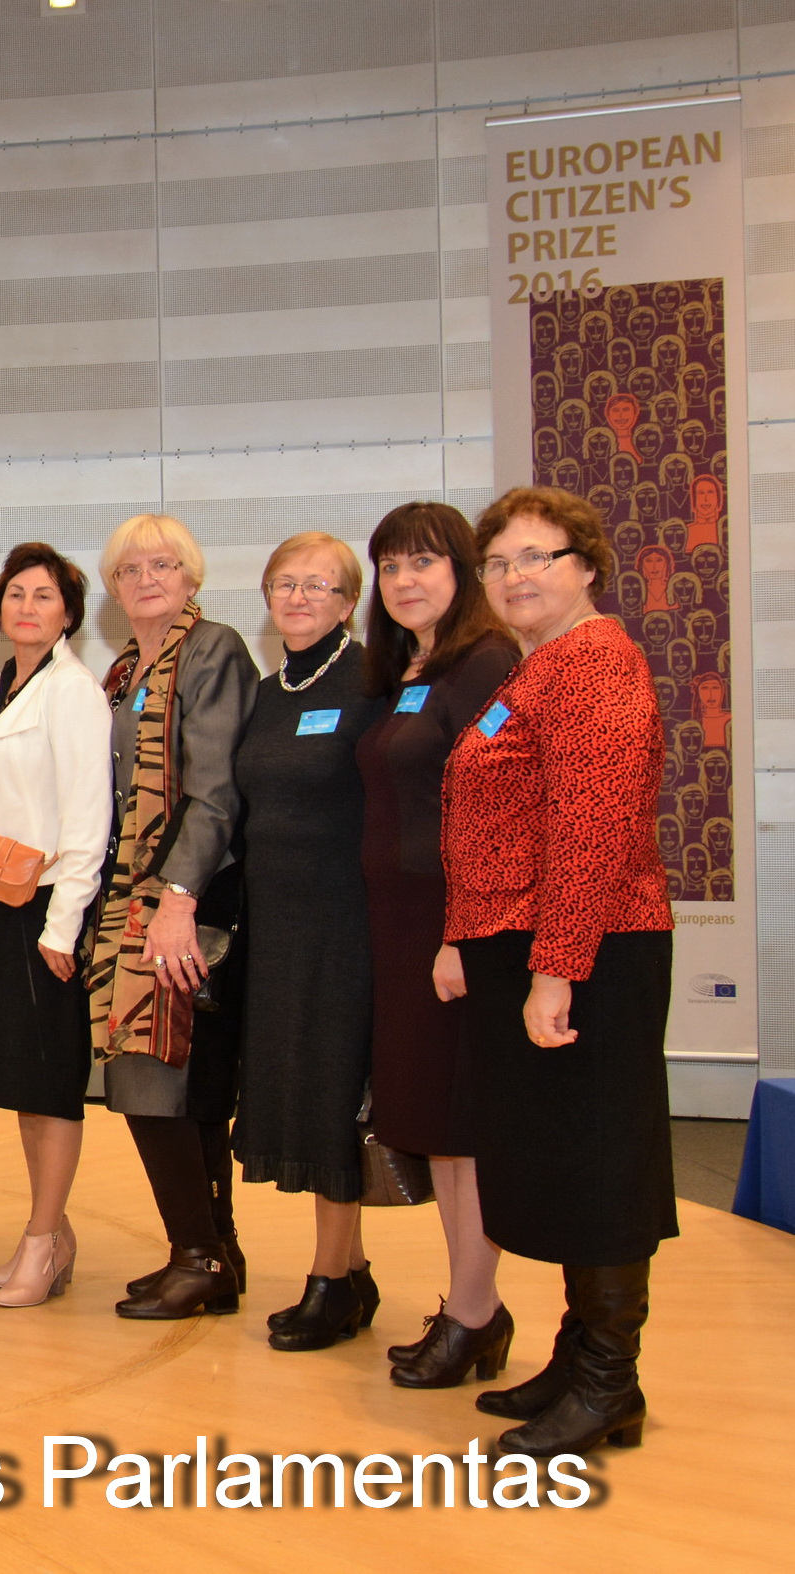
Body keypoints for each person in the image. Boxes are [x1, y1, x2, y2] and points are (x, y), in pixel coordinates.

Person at [442, 486, 673, 1458]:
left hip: (588, 950)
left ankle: (609, 1382)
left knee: (601, 1163)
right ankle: (579, 1358)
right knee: (565, 1161)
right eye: (497, 562)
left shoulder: (596, 659)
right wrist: (467, 937)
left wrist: (556, 968)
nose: (514, 576)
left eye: (535, 556)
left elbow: (592, 825)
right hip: (530, 947)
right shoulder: (537, 666)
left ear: (586, 566)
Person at [353, 502, 519, 1388]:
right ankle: (470, 1307)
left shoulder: (485, 662)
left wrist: (463, 933)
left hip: (455, 923)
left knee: (465, 1126)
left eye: (423, 562)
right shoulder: (407, 668)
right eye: (390, 566)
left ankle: (475, 1312)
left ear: (462, 570)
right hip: (401, 923)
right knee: (438, 1128)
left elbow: (495, 810)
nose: (404, 580)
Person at [85, 513, 258, 1321]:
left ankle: (199, 1255)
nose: (146, 579)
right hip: (132, 895)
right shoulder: (125, 669)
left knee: (152, 1073)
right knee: (168, 1078)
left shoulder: (214, 649)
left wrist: (176, 900)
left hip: (186, 896)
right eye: (130, 569)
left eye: (163, 565)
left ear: (191, 576)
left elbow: (218, 790)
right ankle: (211, 1252)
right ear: (114, 588)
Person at [0, 544, 112, 1308]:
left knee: (49, 1082)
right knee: (17, 1078)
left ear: (68, 611)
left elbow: (88, 817)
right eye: (16, 593)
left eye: (44, 595)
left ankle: (42, 1243)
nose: (28, 607)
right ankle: (52, 1231)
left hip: (42, 908)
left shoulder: (73, 692)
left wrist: (63, 926)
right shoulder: (1, 685)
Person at [231, 533, 389, 1350]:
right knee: (296, 1086)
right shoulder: (266, 694)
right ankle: (352, 1272)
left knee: (332, 1092)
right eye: (285, 584)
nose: (298, 598)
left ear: (349, 601)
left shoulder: (372, 683)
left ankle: (329, 1280)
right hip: (276, 925)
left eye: (318, 585)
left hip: (344, 924)